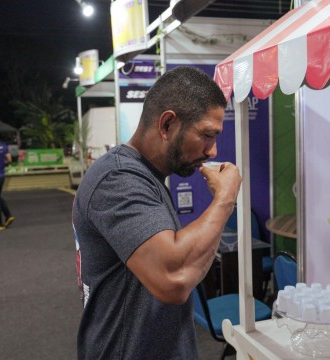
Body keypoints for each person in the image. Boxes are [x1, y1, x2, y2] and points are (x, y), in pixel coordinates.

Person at [72, 66, 242, 360]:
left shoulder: (146, 177)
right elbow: (174, 279)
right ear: (167, 125)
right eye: (206, 135)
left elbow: (186, 270)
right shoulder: (117, 179)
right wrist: (225, 197)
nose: (213, 151)